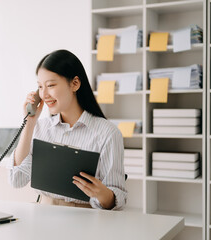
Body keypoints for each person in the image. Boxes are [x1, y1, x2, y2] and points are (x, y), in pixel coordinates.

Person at [7, 49, 126, 210]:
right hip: (43, 215)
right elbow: (16, 179)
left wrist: (101, 193)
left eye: (50, 85)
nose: (44, 94)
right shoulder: (40, 128)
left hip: (85, 220)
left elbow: (117, 200)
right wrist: (29, 124)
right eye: (40, 87)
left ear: (75, 84)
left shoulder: (108, 133)